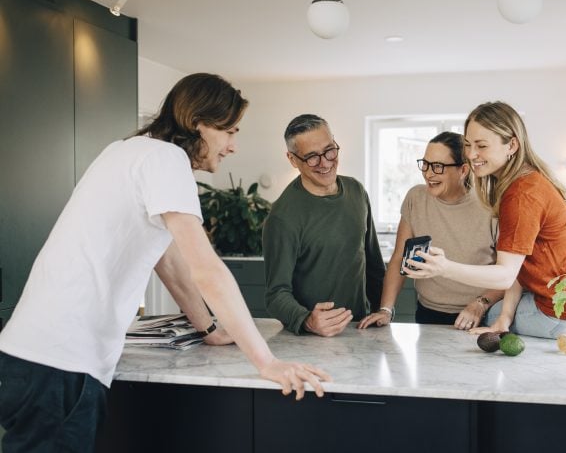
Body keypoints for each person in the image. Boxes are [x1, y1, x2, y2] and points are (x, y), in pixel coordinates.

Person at [0, 73, 329, 453]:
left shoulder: (126, 151)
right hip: (61, 363)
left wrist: (208, 328)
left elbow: (169, 261)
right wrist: (266, 361)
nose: (233, 146)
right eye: (229, 131)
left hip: (28, 355)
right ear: (199, 123)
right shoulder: (167, 159)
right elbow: (207, 270)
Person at [404, 101, 566, 339]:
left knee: (482, 318)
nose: (471, 155)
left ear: (512, 145)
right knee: (499, 315)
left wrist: (444, 267)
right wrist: (505, 317)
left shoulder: (521, 195)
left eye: (482, 146)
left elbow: (505, 274)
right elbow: (517, 267)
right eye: (468, 145)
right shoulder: (528, 180)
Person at [358, 132, 503, 330]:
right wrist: (385, 309)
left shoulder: (491, 205)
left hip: (479, 314)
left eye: (438, 167)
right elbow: (399, 257)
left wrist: (481, 304)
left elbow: (508, 273)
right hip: (427, 312)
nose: (428, 174)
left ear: (463, 170)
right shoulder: (416, 197)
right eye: (425, 164)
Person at [263, 114, 385, 337]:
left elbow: (374, 266)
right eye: (312, 157)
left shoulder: (357, 192)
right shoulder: (282, 217)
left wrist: (383, 310)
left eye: (330, 150)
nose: (325, 162)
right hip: (312, 338)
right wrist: (308, 321)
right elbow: (276, 295)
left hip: (361, 330)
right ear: (292, 159)